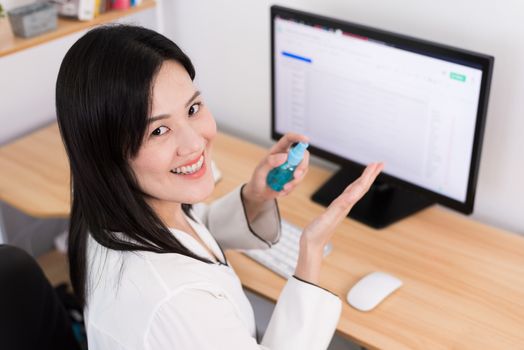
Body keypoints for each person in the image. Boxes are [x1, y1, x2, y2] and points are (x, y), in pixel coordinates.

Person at [55, 24, 383, 350]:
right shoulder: (176, 301)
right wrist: (310, 251)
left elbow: (188, 236)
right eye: (158, 131)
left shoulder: (110, 207)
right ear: (106, 152)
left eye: (193, 109)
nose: (195, 142)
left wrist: (256, 197)